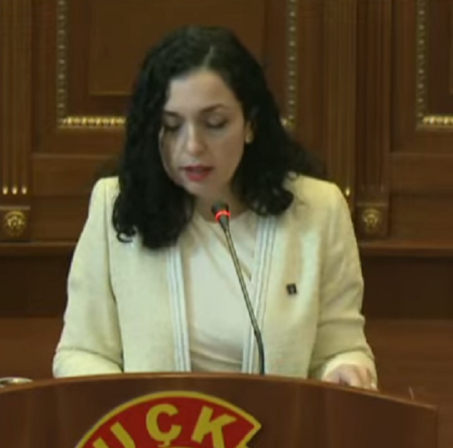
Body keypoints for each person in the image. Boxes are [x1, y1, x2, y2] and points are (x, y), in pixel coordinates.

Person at [52, 25, 377, 390]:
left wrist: (345, 369)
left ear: (250, 123)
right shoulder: (115, 205)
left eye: (214, 124)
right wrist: (133, 408)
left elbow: (342, 348)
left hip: (278, 427)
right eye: (171, 126)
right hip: (153, 427)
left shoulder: (319, 210)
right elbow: (81, 352)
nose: (192, 145)